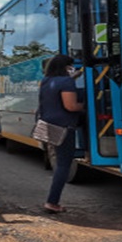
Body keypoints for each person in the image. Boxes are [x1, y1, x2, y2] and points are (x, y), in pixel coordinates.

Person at [38, 54, 85, 214]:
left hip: (49, 126)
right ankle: (52, 202)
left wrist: (77, 75)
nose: (72, 69)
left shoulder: (45, 81)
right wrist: (87, 104)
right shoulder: (66, 82)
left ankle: (52, 201)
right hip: (64, 127)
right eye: (70, 66)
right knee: (63, 166)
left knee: (60, 162)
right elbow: (71, 106)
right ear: (66, 67)